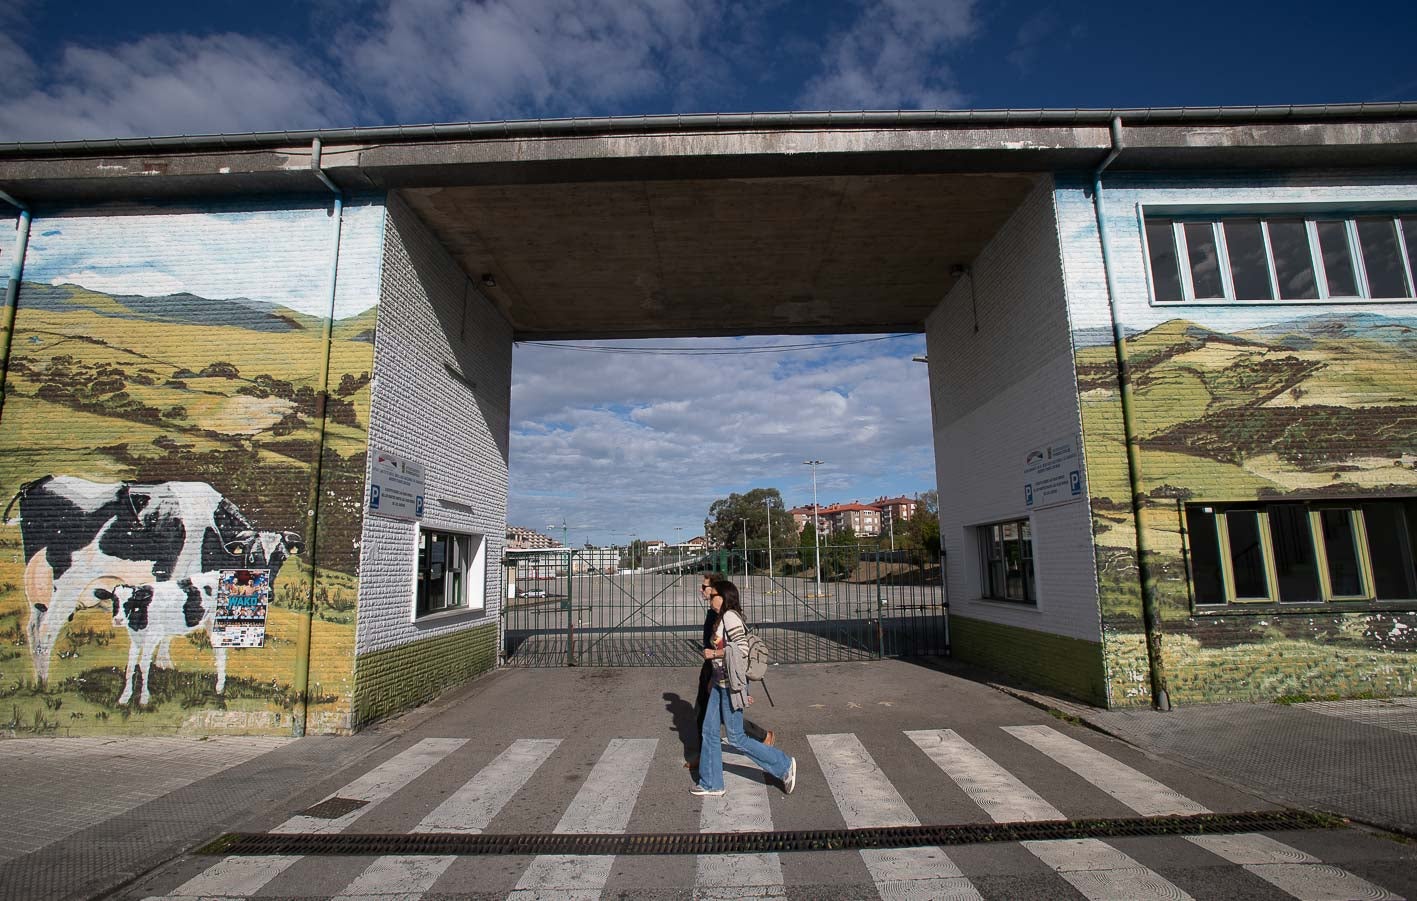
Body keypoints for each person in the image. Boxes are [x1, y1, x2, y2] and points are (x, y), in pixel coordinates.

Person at [691, 579, 796, 797]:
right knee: (709, 731)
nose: (709, 598)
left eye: (713, 595)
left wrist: (714, 654)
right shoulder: (720, 618)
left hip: (730, 685)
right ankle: (712, 783)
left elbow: (741, 650)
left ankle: (783, 764)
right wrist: (712, 677)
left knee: (736, 737)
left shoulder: (730, 617)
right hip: (719, 683)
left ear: (723, 597)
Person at [687, 572, 772, 771]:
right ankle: (708, 770)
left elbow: (739, 650)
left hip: (722, 672)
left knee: (733, 732)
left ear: (719, 592)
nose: (703, 591)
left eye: (706, 588)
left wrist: (742, 688)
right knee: (707, 720)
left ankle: (779, 760)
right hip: (715, 671)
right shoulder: (714, 613)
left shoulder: (727, 616)